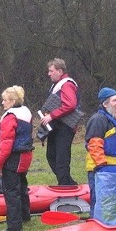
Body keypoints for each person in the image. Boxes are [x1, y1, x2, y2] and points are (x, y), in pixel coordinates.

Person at [0, 86, 34, 231]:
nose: (2, 103)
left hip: (14, 158)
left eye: (4, 100)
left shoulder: (10, 117)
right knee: (22, 186)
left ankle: (14, 226)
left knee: (11, 191)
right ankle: (25, 216)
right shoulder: (25, 112)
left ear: (13, 101)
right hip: (25, 156)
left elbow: (6, 144)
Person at [84, 87, 116, 217]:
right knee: (100, 202)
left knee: (112, 203)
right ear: (105, 103)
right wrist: (102, 167)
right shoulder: (98, 119)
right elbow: (94, 145)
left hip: (114, 167)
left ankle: (111, 224)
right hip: (101, 169)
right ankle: (95, 225)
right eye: (114, 100)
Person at [39, 58, 83, 186]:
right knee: (51, 156)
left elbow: (70, 105)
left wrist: (51, 116)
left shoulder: (67, 84)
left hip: (65, 127)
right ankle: (68, 183)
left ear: (59, 71)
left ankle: (65, 186)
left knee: (61, 160)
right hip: (58, 126)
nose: (49, 74)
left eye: (51, 71)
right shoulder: (58, 84)